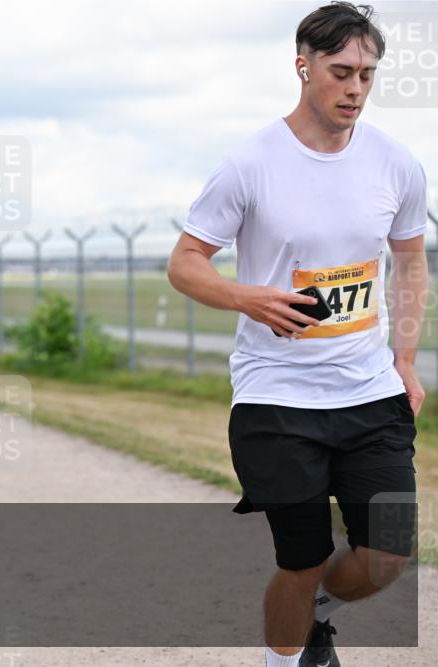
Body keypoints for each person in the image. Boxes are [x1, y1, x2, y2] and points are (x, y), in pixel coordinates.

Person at [167, 4, 427, 666]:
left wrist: (404, 358)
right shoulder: (250, 164)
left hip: (369, 390)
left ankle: (316, 612)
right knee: (302, 558)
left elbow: (410, 261)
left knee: (388, 554)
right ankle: (284, 657)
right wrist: (247, 297)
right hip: (277, 395)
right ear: (302, 66)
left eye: (367, 74)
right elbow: (185, 262)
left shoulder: (396, 164)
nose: (355, 89)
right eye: (341, 72)